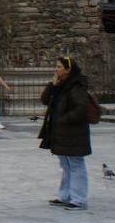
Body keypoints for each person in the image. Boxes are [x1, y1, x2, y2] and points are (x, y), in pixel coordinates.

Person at [39, 56, 92, 211]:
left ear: (68, 70)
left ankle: (79, 199)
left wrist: (64, 119)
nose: (56, 69)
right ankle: (65, 196)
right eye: (56, 66)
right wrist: (52, 85)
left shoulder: (76, 86)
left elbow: (81, 108)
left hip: (73, 133)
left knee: (76, 164)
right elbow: (44, 100)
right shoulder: (60, 85)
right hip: (61, 134)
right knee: (66, 165)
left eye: (59, 67)